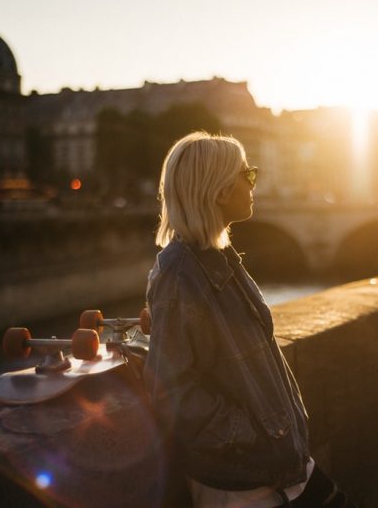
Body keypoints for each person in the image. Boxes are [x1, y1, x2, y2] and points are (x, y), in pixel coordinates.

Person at [144, 131, 354, 507]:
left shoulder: (220, 259)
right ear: (220, 191)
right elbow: (170, 389)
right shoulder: (179, 274)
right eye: (248, 175)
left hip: (278, 463)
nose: (255, 183)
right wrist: (250, 432)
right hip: (240, 479)